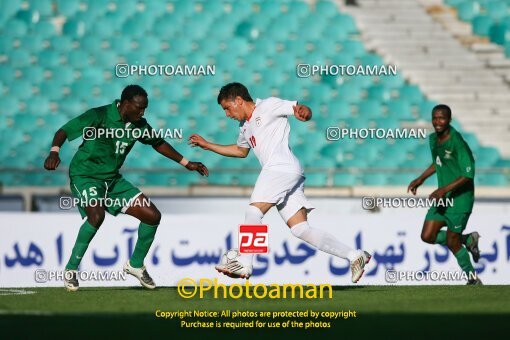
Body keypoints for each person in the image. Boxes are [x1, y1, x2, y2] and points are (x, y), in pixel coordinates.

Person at [189, 82, 371, 283]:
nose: (227, 114)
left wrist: (305, 112)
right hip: (287, 172)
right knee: (300, 229)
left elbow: (301, 110)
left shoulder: (268, 105)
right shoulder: (244, 127)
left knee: (253, 212)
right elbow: (241, 151)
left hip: (280, 168)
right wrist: (208, 145)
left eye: (227, 108)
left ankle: (245, 262)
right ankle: (355, 256)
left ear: (238, 101)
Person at [44, 84, 209, 291]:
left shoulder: (138, 125)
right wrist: (54, 152)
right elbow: (65, 130)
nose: (142, 112)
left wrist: (187, 163)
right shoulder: (99, 115)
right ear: (126, 104)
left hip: (112, 180)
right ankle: (70, 270)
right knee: (96, 216)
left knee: (152, 215)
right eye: (139, 108)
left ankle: (136, 265)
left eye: (145, 108)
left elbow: (157, 142)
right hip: (85, 176)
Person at [408, 104, 481, 285]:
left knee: (451, 242)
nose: (437, 122)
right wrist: (421, 178)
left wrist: (443, 190)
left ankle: (473, 279)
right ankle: (468, 239)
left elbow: (468, 174)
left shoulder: (457, 142)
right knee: (427, 236)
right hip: (443, 199)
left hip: (460, 200)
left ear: (449, 119)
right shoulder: (433, 139)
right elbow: (437, 162)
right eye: (434, 118)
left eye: (441, 118)